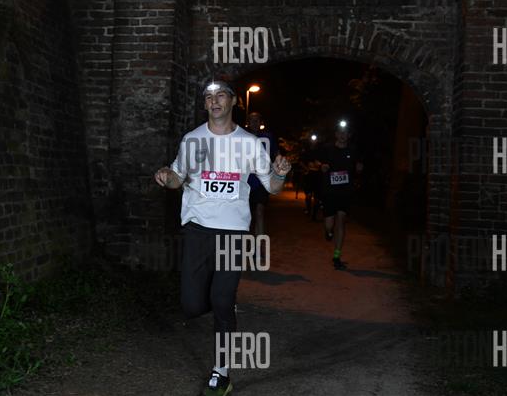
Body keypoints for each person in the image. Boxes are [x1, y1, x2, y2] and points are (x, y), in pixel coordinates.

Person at [154, 80, 291, 396]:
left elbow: (272, 187)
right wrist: (166, 176)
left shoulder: (250, 143)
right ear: (205, 104)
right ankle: (220, 307)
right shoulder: (192, 140)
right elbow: (177, 179)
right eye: (208, 97)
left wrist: (281, 173)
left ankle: (222, 373)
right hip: (198, 229)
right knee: (191, 305)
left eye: (220, 95)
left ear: (233, 102)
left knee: (222, 300)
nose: (214, 101)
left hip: (233, 232)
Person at [318, 119, 363, 270]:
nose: (343, 135)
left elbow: (358, 166)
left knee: (341, 221)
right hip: (330, 191)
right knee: (329, 225)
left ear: (349, 135)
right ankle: (328, 231)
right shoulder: (328, 149)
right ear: (336, 134)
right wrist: (323, 167)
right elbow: (320, 164)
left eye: (345, 133)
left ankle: (337, 256)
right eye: (340, 133)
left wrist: (359, 167)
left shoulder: (353, 150)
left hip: (345, 191)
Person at [246, 112, 277, 242]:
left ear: (261, 122)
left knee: (260, 212)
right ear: (248, 123)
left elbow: (275, 155)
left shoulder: (268, 137)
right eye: (252, 120)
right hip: (245, 182)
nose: (255, 123)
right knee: (246, 215)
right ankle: (245, 244)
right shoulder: (242, 137)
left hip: (262, 181)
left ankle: (258, 246)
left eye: (257, 120)